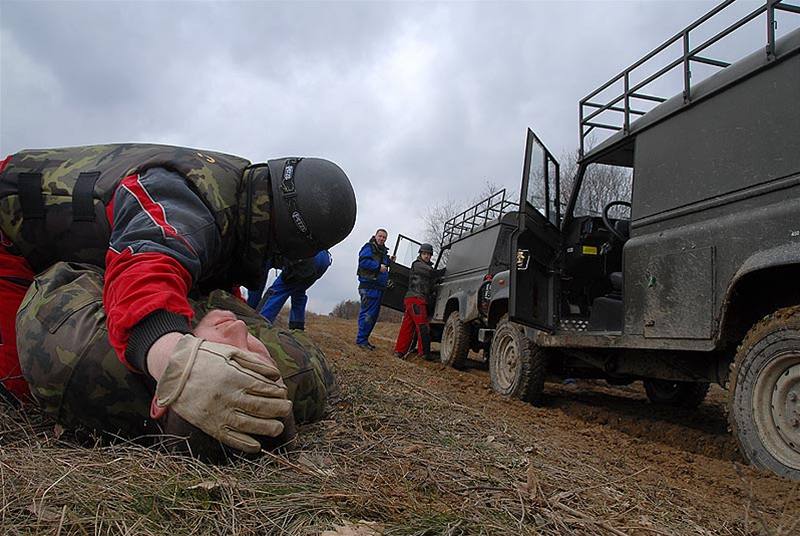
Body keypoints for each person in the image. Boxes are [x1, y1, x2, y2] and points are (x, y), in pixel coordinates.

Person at [0, 143, 356, 457]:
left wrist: (211, 329)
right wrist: (178, 359)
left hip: (98, 249)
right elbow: (147, 262)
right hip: (13, 236)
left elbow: (204, 266)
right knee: (16, 382)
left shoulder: (246, 204)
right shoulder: (189, 200)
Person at [253, 250, 333, 330]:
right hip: (323, 258)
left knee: (276, 291)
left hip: (306, 258)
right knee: (298, 291)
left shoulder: (264, 252)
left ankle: (259, 325)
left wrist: (252, 307)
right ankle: (297, 329)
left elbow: (257, 285)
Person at [393, 243, 443, 361]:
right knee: (423, 327)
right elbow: (432, 273)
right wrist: (447, 270)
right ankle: (424, 354)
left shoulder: (424, 266)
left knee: (407, 327)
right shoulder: (418, 265)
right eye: (424, 253)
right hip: (416, 299)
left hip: (413, 299)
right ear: (420, 254)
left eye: (428, 254)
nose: (426, 256)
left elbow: (431, 282)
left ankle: (399, 351)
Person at [355, 228, 391, 350]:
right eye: (380, 236)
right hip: (369, 286)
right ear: (375, 236)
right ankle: (361, 340)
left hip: (378, 287)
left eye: (384, 237)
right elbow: (363, 262)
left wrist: (390, 262)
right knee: (367, 314)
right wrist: (377, 267)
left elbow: (384, 265)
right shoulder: (369, 247)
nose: (382, 239)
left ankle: (364, 339)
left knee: (373, 316)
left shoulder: (383, 252)